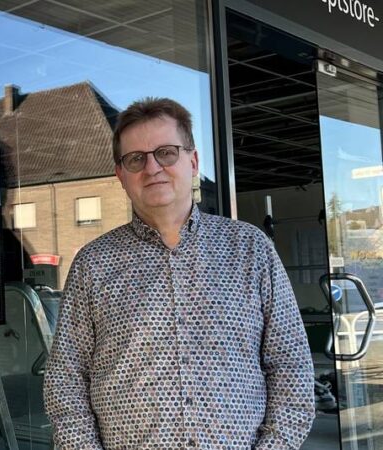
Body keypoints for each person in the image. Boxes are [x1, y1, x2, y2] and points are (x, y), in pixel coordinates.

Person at [43, 97, 314, 449]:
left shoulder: (250, 249)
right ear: (121, 176)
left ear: (193, 161)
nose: (152, 167)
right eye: (136, 159)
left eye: (167, 152)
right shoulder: (93, 265)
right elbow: (66, 379)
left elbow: (291, 363)